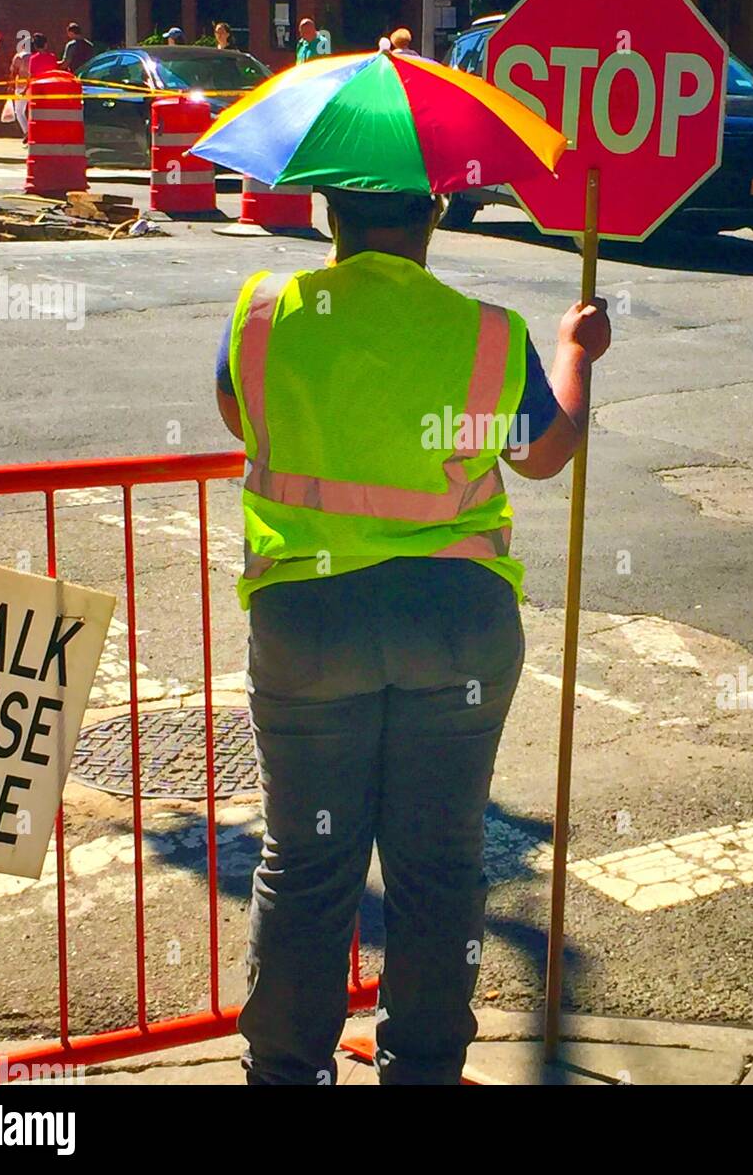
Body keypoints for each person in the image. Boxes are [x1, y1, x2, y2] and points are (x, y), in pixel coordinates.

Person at [215, 188, 611, 1085]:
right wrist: (575, 353)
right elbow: (544, 453)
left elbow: (240, 416)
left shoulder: (264, 311)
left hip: (309, 621)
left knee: (308, 861)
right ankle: (422, 1069)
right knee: (438, 866)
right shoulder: (487, 333)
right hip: (455, 624)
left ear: (327, 209)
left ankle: (284, 1072)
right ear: (432, 213)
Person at [7, 43, 31, 143]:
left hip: (21, 86)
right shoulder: (35, 56)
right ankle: (30, 132)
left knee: (19, 112)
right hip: (34, 86)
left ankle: (27, 132)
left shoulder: (19, 57)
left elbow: (13, 72)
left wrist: (11, 85)